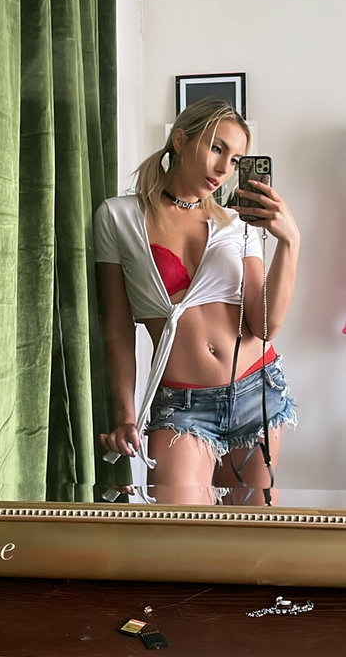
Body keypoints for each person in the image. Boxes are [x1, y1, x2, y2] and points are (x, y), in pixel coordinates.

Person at [94, 99, 299, 505]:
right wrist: (125, 415)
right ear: (180, 140)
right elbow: (117, 328)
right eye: (216, 148)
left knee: (255, 534)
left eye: (235, 159)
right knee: (182, 533)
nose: (224, 169)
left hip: (255, 389)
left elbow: (265, 325)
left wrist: (290, 241)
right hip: (181, 406)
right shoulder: (117, 217)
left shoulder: (238, 223)